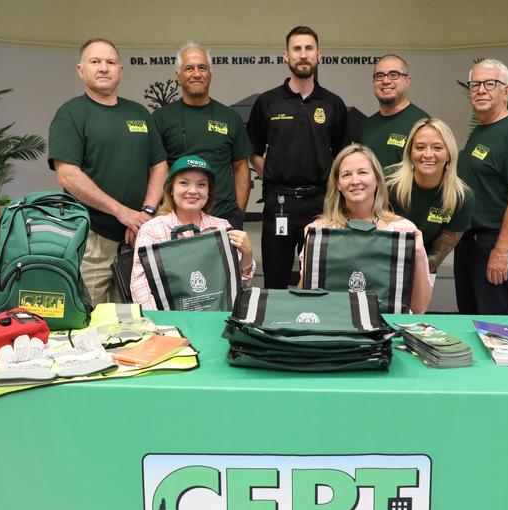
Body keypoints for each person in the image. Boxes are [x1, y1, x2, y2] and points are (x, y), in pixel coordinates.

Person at [49, 38, 166, 306]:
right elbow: (68, 174)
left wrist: (145, 214)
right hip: (93, 238)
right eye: (95, 61)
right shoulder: (71, 114)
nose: (104, 68)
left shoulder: (138, 112)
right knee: (89, 314)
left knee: (135, 316)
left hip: (139, 236)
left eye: (110, 62)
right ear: (80, 70)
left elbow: (159, 165)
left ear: (120, 71)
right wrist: (121, 212)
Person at [247, 25, 349, 289]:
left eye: (309, 48)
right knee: (275, 282)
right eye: (297, 49)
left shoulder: (333, 103)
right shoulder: (267, 102)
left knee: (318, 280)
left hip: (320, 204)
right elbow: (253, 150)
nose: (303, 55)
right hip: (278, 203)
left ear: (318, 54)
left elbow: (342, 157)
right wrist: (269, 172)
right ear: (286, 55)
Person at [300, 143, 432, 313]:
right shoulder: (322, 230)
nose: (355, 181)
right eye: (346, 174)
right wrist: (312, 254)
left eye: (362, 172)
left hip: (385, 331)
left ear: (377, 179)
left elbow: (419, 308)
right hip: (335, 328)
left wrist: (419, 254)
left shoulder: (402, 229)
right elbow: (307, 299)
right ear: (338, 184)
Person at [454, 58, 508, 315]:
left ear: (506, 91)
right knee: (469, 319)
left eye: (490, 83)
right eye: (475, 84)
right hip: (468, 243)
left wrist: (501, 252)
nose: (480, 89)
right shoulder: (481, 131)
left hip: (492, 243)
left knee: (495, 327)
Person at [130, 156, 255, 310]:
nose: (193, 191)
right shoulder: (152, 230)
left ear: (209, 191)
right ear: (171, 188)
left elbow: (238, 286)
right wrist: (164, 325)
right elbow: (140, 288)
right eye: (183, 183)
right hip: (171, 324)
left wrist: (247, 254)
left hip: (216, 321)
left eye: (201, 184)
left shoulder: (222, 227)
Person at [152, 42, 252, 230]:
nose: (196, 73)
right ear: (178, 76)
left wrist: (238, 213)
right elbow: (155, 169)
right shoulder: (161, 118)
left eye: (202, 68)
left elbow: (240, 167)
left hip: (224, 217)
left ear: (210, 74)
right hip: (176, 221)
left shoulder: (230, 117)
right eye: (189, 68)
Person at [385, 117, 473, 275]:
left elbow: (434, 258)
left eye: (437, 148)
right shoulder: (387, 182)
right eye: (420, 147)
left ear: (449, 154)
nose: (428, 154)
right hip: (377, 261)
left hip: (420, 268)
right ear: (410, 152)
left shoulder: (461, 198)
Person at [357, 54, 430, 169]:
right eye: (379, 76)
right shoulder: (366, 126)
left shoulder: (423, 124)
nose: (386, 81)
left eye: (393, 75)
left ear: (407, 80)